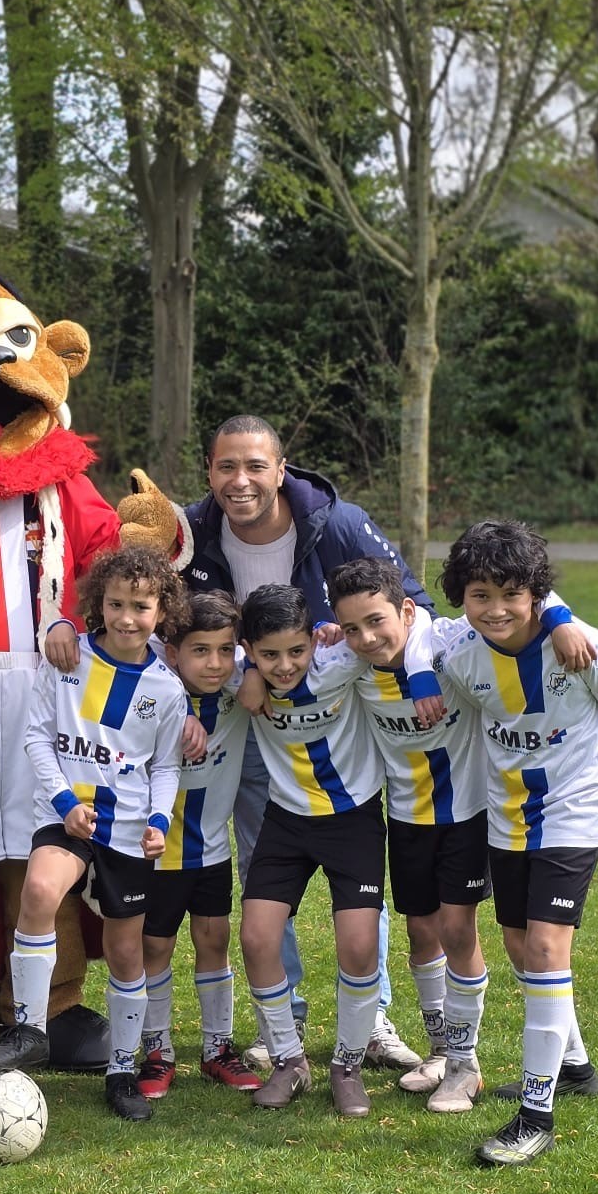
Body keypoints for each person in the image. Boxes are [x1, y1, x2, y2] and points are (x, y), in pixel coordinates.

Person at [181, 416, 425, 1070]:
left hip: (341, 729)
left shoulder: (337, 524)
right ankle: (282, 1018)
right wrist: (242, 673)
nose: (241, 481)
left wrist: (418, 682)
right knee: (265, 871)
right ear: (209, 472)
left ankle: (371, 1019)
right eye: (227, 467)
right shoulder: (189, 532)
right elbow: (163, 622)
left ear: (281, 468)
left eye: (255, 466)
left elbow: (412, 605)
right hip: (248, 724)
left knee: (358, 883)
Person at [330, 558, 590, 1115]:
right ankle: (442, 1052)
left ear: (405, 610)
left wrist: (562, 615)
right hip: (405, 818)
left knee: (456, 929)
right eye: (351, 628)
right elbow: (296, 658)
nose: (367, 638)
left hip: (470, 816)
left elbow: (507, 616)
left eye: (377, 621)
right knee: (421, 934)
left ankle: (466, 1067)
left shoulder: (448, 647)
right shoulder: (350, 666)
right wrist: (321, 637)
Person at [433, 521, 598, 1166]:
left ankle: (535, 1114)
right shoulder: (463, 659)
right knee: (522, 944)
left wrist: (588, 776)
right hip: (508, 813)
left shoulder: (582, 647)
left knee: (548, 948)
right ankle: (575, 1065)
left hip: (573, 811)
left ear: (535, 594)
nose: (495, 609)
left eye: (511, 595)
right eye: (478, 595)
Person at [0, 545, 189, 1123]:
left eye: (141, 607)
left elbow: (166, 766)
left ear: (161, 611)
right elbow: (37, 739)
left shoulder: (167, 690)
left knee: (127, 953)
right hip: (67, 814)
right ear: (98, 604)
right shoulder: (68, 662)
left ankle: (122, 1070)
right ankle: (29, 1027)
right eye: (116, 604)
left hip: (127, 827)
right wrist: (66, 801)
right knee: (41, 891)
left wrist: (157, 821)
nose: (127, 618)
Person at [234, 584, 391, 1118]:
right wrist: (246, 674)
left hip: (354, 820)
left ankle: (346, 1065)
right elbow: (179, 649)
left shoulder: (338, 661)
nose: (285, 665)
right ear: (249, 649)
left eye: (296, 651)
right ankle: (288, 1061)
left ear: (313, 641)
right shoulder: (237, 668)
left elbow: (401, 635)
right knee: (257, 938)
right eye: (269, 655)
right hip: (287, 821)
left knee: (359, 946)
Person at [137, 591, 259, 1099]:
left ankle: (217, 1049)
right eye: (201, 650)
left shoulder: (237, 686)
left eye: (226, 650)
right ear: (173, 652)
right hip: (156, 848)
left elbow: (284, 654)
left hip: (212, 848)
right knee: (155, 946)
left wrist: (251, 670)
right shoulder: (155, 689)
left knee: (214, 941)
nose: (215, 663)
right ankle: (157, 1050)